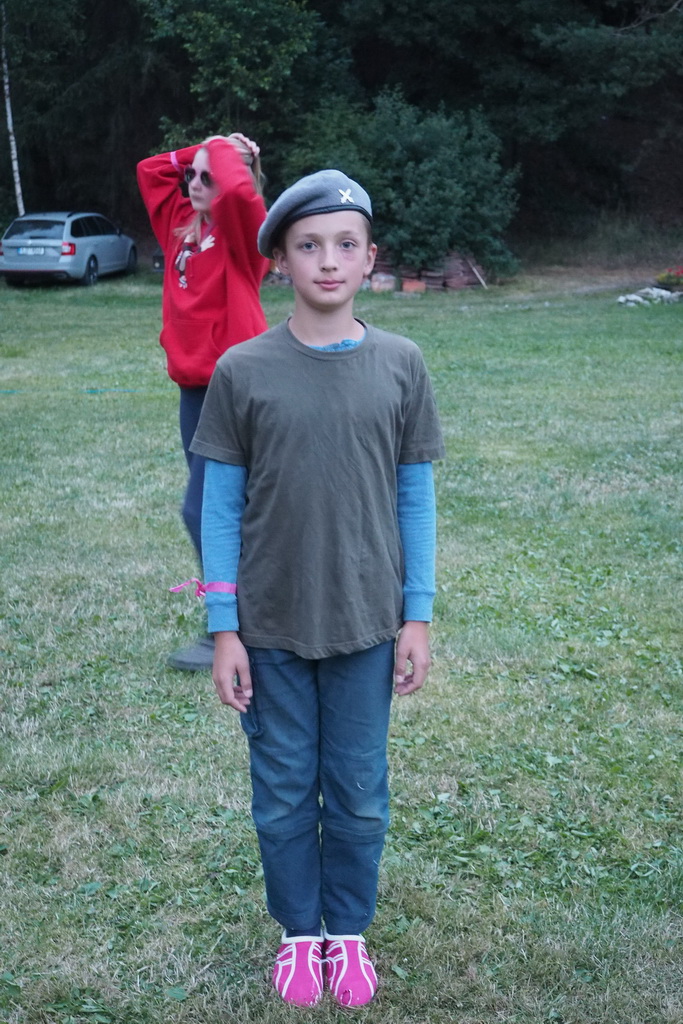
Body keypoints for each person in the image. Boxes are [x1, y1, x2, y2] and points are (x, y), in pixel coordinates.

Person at [191, 170, 446, 1007]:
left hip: (367, 624)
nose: (327, 261)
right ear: (279, 261)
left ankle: (348, 930)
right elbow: (219, 507)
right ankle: (300, 934)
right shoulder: (242, 370)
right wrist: (223, 625)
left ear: (370, 258)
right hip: (269, 627)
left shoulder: (401, 365)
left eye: (345, 245)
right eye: (308, 245)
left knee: (360, 795)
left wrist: (416, 615)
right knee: (282, 794)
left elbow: (414, 497)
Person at [137, 132, 269, 671]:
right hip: (194, 391)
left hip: (234, 389)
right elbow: (150, 171)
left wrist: (222, 149)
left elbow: (237, 194)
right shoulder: (180, 228)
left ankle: (234, 624)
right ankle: (244, 615)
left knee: (206, 509)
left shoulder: (246, 238)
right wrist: (203, 152)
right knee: (226, 508)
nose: (193, 182)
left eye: (206, 176)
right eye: (191, 173)